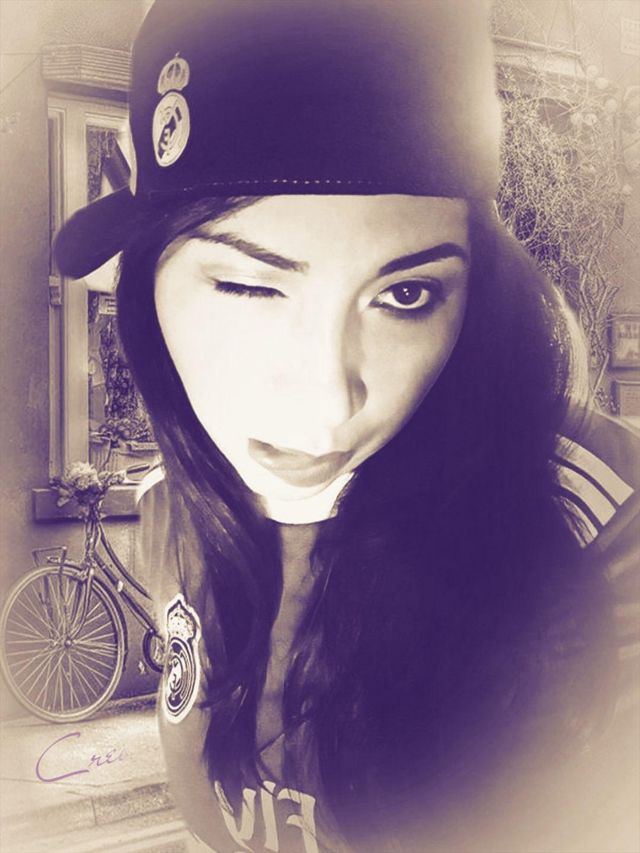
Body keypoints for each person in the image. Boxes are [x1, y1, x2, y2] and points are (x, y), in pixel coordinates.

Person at [54, 1, 639, 851]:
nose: (329, 404)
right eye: (250, 286)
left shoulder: (593, 516)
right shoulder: (172, 514)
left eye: (405, 294)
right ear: (142, 284)